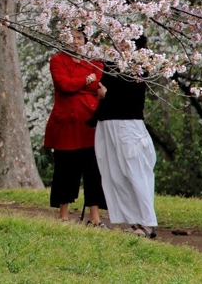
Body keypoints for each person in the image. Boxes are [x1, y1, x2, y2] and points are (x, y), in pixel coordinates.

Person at [94, 36, 157, 237]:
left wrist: (108, 95)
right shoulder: (111, 63)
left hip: (128, 124)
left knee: (136, 171)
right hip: (107, 122)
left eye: (126, 41)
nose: (121, 45)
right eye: (119, 40)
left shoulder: (140, 65)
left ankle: (147, 223)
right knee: (114, 173)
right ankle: (133, 221)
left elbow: (132, 94)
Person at [43, 28, 107, 226]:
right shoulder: (57, 60)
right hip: (66, 122)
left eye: (79, 37)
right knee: (65, 168)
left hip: (89, 121)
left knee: (93, 170)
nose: (75, 41)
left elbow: (96, 85)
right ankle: (63, 215)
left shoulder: (96, 63)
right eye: (71, 37)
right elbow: (64, 85)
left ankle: (95, 217)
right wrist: (87, 80)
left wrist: (82, 83)